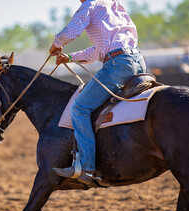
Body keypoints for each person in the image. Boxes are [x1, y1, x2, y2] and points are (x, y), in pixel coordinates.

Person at [49, 0, 147, 184]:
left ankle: (87, 168)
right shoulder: (113, 4)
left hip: (118, 65)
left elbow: (73, 30)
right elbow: (99, 51)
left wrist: (57, 43)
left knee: (79, 108)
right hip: (137, 61)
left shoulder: (90, 5)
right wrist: (70, 57)